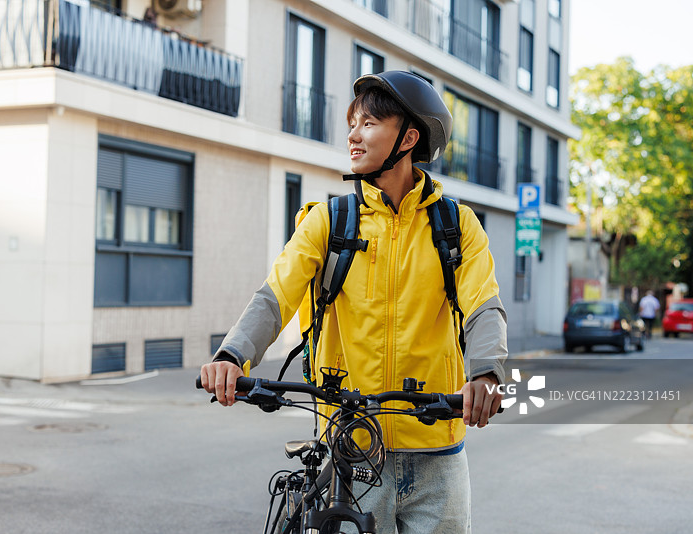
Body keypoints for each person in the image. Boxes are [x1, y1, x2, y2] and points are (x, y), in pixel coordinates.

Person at [200, 71, 507, 533]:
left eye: (368, 124)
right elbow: (275, 294)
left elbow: (484, 305)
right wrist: (232, 355)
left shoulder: (457, 226)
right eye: (352, 123)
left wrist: (485, 373)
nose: (353, 136)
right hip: (354, 443)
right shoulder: (329, 221)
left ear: (408, 138)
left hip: (437, 451)